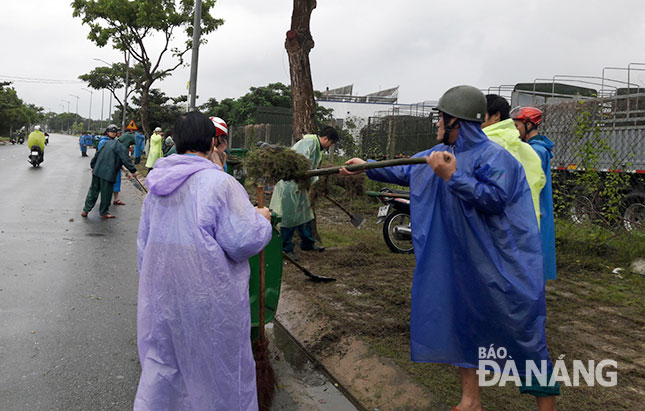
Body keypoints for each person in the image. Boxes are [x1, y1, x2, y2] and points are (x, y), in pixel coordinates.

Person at [342, 85, 558, 411]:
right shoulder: (442, 154)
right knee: (463, 323)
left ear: (456, 121)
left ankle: (546, 407)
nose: (437, 126)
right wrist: (367, 165)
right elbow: (408, 169)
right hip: (461, 261)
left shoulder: (496, 158)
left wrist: (452, 177)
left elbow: (494, 199)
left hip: (499, 266)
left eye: (441, 119)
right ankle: (470, 400)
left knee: (523, 333)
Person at [135, 111, 272, 410]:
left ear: (176, 142)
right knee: (213, 369)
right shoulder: (219, 184)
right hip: (209, 297)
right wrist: (261, 220)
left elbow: (144, 248)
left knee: (166, 362)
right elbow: (242, 241)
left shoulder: (155, 187)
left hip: (164, 293)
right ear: (213, 142)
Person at [269, 126, 339, 260]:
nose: (330, 146)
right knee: (288, 217)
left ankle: (307, 243)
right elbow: (301, 163)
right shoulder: (309, 143)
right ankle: (286, 248)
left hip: (300, 185)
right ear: (325, 139)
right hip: (290, 184)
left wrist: (311, 182)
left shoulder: (316, 147)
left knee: (304, 214)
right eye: (331, 143)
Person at [482, 95, 545, 225]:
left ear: (496, 116)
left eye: (481, 113)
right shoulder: (524, 148)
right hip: (525, 225)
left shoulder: (489, 144)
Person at [512, 106, 557, 281]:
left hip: (534, 211)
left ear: (529, 125)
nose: (515, 131)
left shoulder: (535, 151)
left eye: (517, 126)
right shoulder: (533, 148)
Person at [81, 124, 138, 220]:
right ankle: (104, 212)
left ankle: (85, 210)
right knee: (106, 194)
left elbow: (97, 154)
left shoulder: (107, 143)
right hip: (108, 173)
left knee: (93, 191)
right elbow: (126, 159)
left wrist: (93, 165)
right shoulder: (121, 147)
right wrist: (133, 171)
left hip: (97, 171)